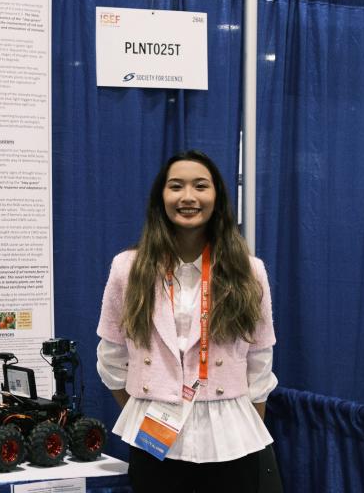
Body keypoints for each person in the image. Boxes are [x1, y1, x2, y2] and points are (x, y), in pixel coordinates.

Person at [96, 150, 277, 493]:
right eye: (176, 186)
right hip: (154, 429)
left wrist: (249, 421)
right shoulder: (127, 268)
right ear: (161, 197)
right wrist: (151, 400)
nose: (188, 197)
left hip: (230, 432)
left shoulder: (249, 271)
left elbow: (259, 362)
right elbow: (111, 355)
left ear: (217, 197)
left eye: (201, 186)